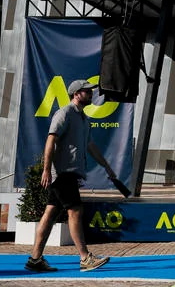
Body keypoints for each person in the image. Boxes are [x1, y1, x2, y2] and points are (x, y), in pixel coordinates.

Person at [25, 79, 118, 273]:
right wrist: (46, 169)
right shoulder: (65, 113)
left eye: (90, 91)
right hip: (62, 173)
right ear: (76, 94)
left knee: (50, 214)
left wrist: (106, 166)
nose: (90, 94)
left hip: (69, 174)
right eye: (86, 91)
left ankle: (35, 259)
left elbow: (91, 146)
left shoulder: (84, 119)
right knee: (75, 211)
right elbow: (51, 139)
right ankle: (85, 258)